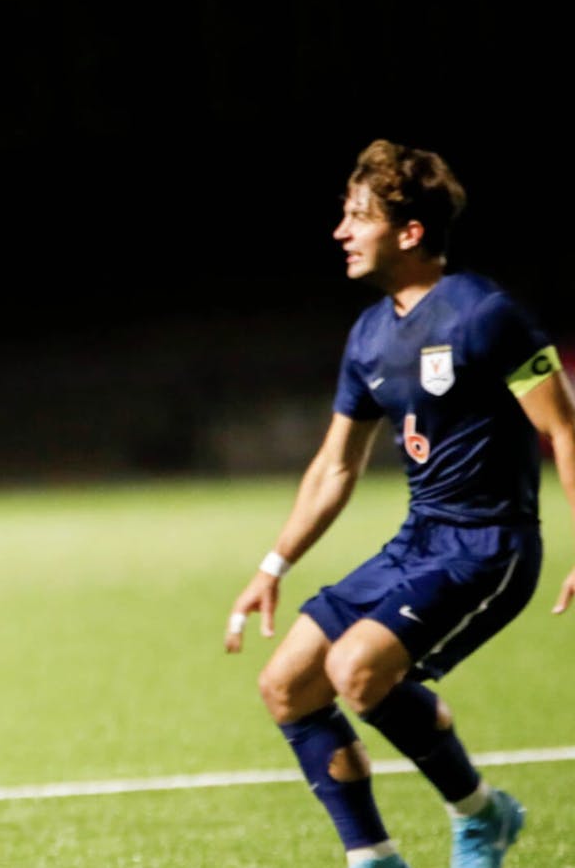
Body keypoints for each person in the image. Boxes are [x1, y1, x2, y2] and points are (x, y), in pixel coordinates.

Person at [224, 139, 574, 868]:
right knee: (286, 684)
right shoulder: (370, 333)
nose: (341, 232)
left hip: (490, 546)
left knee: (357, 670)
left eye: (358, 216)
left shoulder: (485, 315)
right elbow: (333, 466)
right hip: (417, 541)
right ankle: (375, 857)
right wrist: (273, 562)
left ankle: (481, 817)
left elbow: (564, 428)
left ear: (410, 231)